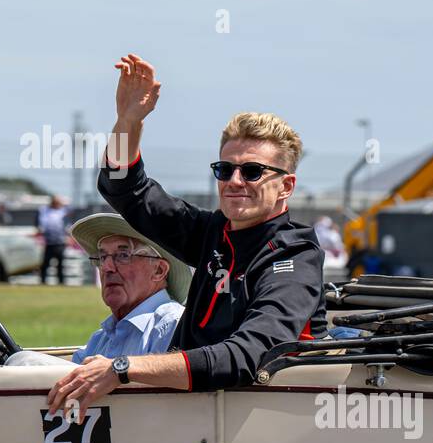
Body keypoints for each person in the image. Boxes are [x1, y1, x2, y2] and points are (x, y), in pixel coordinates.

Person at [47, 54, 326, 419]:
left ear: (286, 186)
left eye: (253, 171)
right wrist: (129, 120)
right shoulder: (214, 231)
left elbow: (246, 357)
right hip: (193, 420)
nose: (234, 181)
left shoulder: (295, 255)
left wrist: (121, 369)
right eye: (225, 169)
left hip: (251, 428)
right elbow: (126, 191)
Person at [0, 213, 187, 365]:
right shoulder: (104, 336)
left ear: (158, 271)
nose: (106, 267)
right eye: (102, 256)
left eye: (123, 255)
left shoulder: (171, 324)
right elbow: (63, 377)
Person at [37, 195, 70, 285]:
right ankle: (43, 281)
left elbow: (67, 225)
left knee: (60, 264)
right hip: (49, 242)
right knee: (45, 264)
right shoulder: (45, 211)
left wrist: (68, 237)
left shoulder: (63, 211)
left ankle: (61, 282)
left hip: (60, 242)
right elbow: (40, 225)